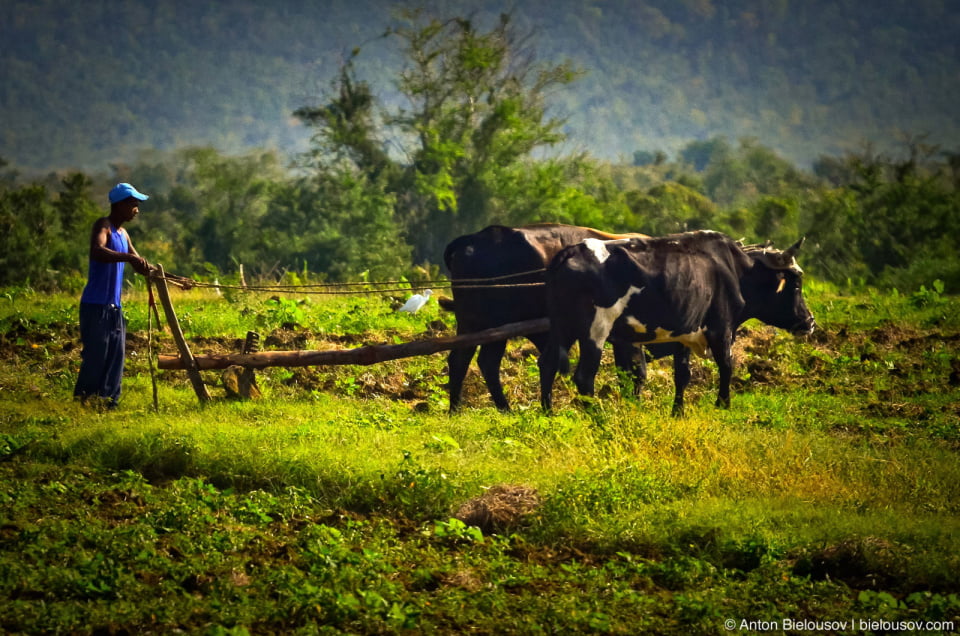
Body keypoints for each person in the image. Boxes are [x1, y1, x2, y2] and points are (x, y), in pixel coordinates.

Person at [74, 182, 152, 408]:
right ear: (119, 205)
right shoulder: (104, 226)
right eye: (133, 204)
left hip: (114, 308)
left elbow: (141, 266)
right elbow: (97, 251)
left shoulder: (123, 234)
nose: (137, 209)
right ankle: (85, 401)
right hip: (95, 306)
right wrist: (128, 258)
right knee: (96, 356)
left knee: (116, 357)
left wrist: (177, 279)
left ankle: (108, 402)